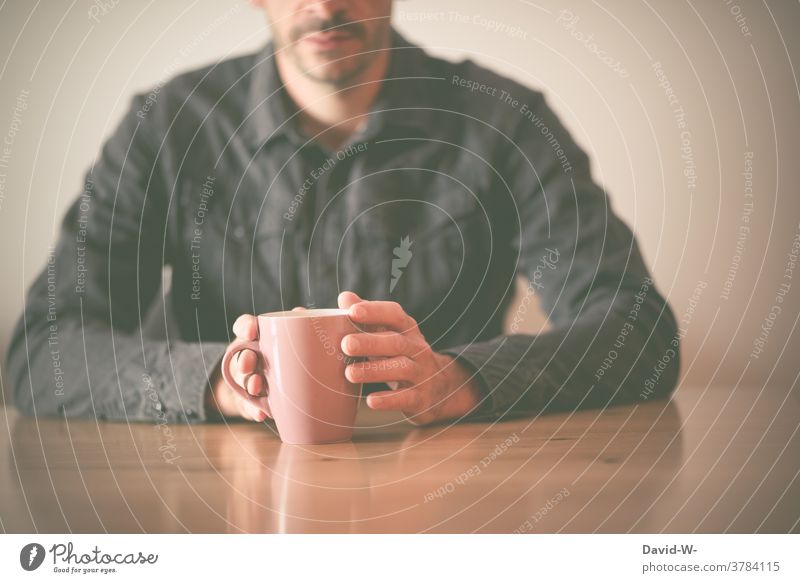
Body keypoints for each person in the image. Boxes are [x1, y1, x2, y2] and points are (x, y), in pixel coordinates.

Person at [6, 0, 680, 426]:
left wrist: (462, 379)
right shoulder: (169, 127)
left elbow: (641, 333)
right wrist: (212, 383)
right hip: (220, 517)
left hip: (456, 507)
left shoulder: (503, 121)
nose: (325, 6)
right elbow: (41, 351)